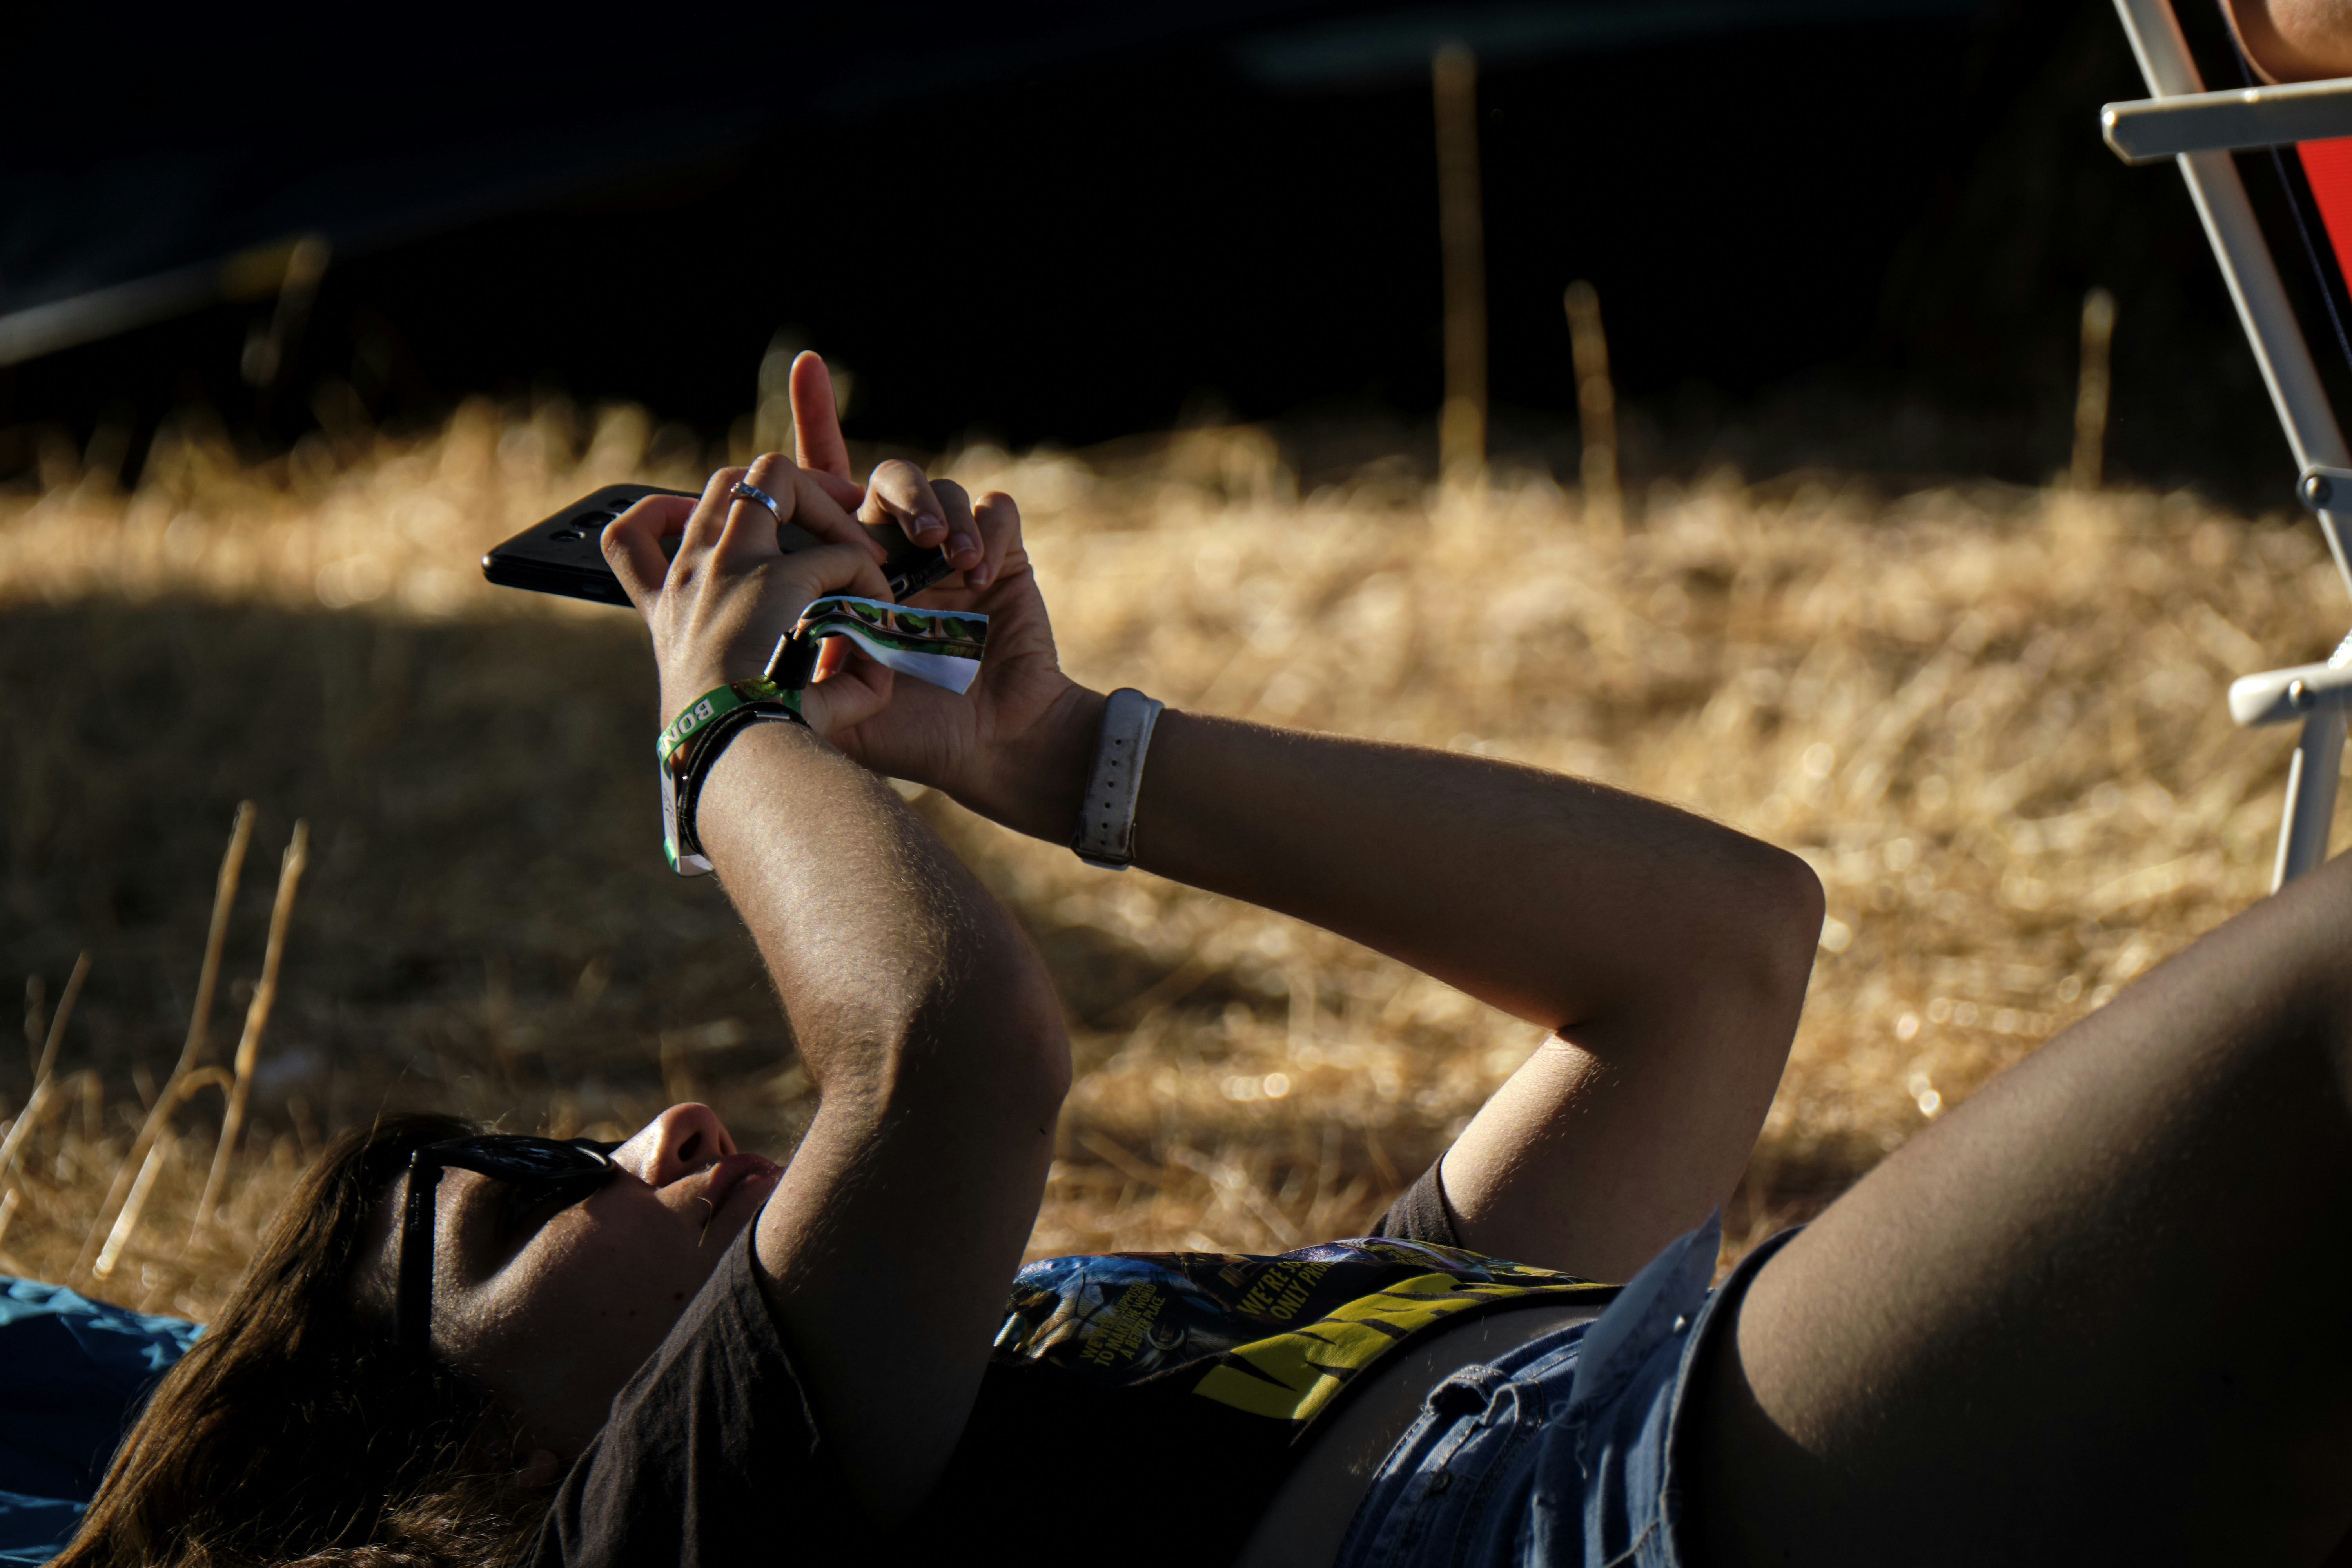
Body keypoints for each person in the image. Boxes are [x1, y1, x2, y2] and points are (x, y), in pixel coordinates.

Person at [55, 352, 2352, 1568]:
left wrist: (1061, 756)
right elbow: (950, 1055)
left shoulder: (1123, 1372)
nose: (656, 1130)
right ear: (398, 1498)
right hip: (1587, 1514)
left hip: (1604, 1448)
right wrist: (721, 714)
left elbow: (1723, 956)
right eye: (521, 1206)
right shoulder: (647, 1545)